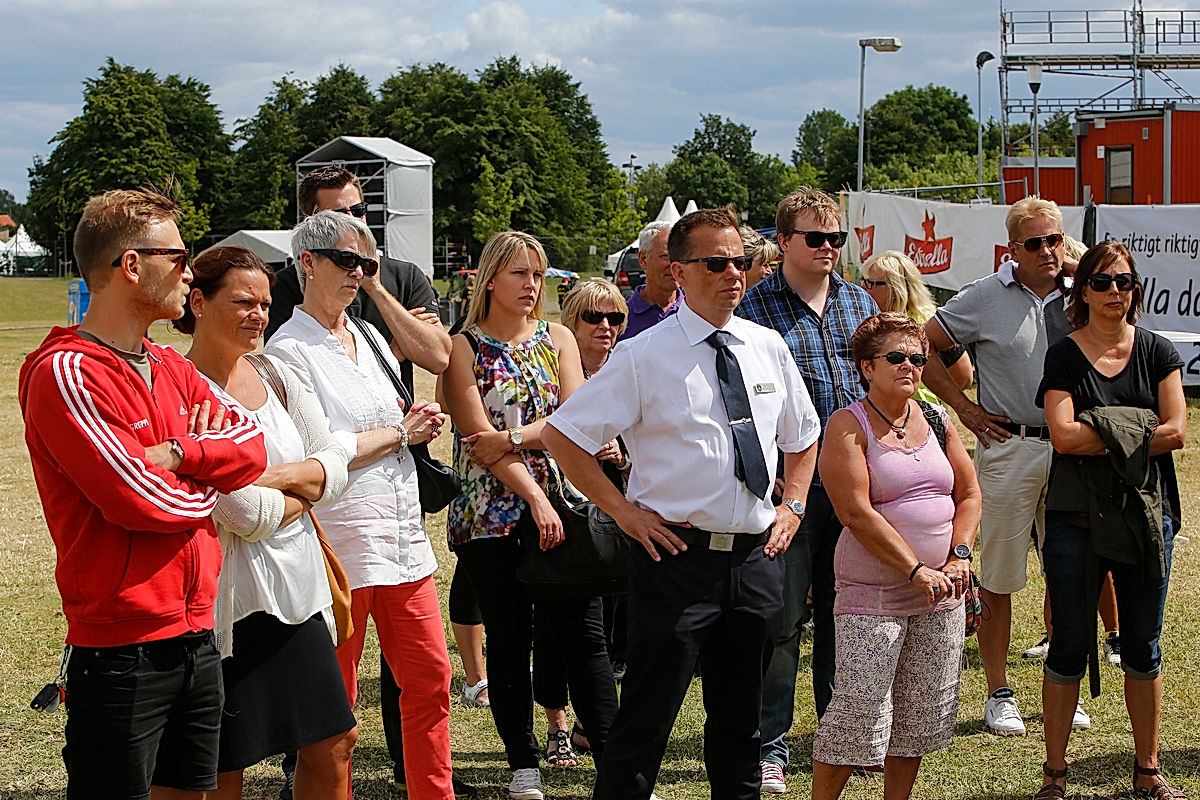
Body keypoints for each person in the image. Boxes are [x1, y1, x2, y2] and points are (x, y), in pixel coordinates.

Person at [545, 206, 821, 800]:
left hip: (754, 560)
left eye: (741, 262)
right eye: (716, 262)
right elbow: (564, 437)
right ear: (678, 270)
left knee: (740, 727)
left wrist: (792, 505)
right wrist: (624, 513)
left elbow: (804, 435)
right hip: (675, 561)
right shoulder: (645, 354)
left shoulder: (766, 346)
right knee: (645, 722)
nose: (734, 274)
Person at [18, 187, 267, 798]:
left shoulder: (172, 364)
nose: (190, 272)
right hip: (122, 650)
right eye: (180, 258)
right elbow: (142, 502)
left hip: (197, 635)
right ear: (132, 265)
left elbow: (252, 446)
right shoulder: (66, 371)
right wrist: (209, 477)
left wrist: (183, 454)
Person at [266, 164, 453, 797]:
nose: (357, 271)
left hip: (405, 545)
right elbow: (325, 452)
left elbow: (437, 355)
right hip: (340, 550)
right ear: (306, 263)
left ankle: (435, 792)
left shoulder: (372, 335)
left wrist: (410, 423)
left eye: (365, 260)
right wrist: (402, 433)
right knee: (333, 712)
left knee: (431, 684)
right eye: (345, 259)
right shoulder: (287, 351)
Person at [175, 247, 357, 799]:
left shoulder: (273, 371)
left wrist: (268, 476)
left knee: (335, 744)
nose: (258, 314)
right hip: (226, 609)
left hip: (298, 596)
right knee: (225, 768)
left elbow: (337, 462)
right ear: (198, 303)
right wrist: (306, 482)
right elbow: (246, 516)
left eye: (265, 303)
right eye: (242, 302)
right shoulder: (180, 390)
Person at [442, 231, 618, 800]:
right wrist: (533, 494)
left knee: (583, 638)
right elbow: (476, 442)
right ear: (490, 278)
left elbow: (573, 421)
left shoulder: (559, 338)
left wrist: (513, 435)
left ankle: (615, 767)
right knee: (510, 637)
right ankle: (523, 767)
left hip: (565, 510)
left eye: (538, 276)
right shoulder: (462, 347)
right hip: (491, 518)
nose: (532, 285)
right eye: (520, 274)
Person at [1034, 241, 1188, 800]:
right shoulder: (1064, 356)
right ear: (1082, 292)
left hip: (1148, 516)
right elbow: (1062, 436)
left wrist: (1099, 425)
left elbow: (1177, 431)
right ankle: (1055, 774)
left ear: (1135, 288)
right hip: (1075, 518)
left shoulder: (1157, 350)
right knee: (1069, 643)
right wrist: (1135, 429)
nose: (1113, 292)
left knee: (1143, 644)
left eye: (1123, 282)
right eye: (1100, 282)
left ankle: (1148, 770)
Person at [736, 187, 877, 793]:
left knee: (848, 615)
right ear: (784, 242)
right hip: (785, 485)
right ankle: (769, 744)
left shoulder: (859, 304)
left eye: (836, 239)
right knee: (784, 617)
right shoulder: (755, 308)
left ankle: (838, 736)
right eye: (815, 238)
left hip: (853, 486)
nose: (828, 248)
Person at [811, 312, 981, 800]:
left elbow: (969, 494)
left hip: (941, 595)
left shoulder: (935, 418)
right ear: (867, 367)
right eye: (897, 357)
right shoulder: (848, 424)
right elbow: (855, 513)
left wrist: (960, 555)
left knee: (919, 716)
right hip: (875, 595)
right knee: (857, 712)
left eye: (918, 358)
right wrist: (915, 568)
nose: (910, 365)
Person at [920, 196, 1073, 736]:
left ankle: (1063, 680)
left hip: (1075, 448)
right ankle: (998, 689)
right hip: (1011, 446)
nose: (1047, 251)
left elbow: (1131, 288)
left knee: (1069, 570)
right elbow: (925, 344)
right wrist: (964, 410)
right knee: (1001, 576)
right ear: (1013, 249)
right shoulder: (986, 296)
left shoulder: (1084, 293)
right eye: (1034, 243)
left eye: (1054, 239)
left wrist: (1078, 268)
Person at [538, 278, 633, 762]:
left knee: (610, 626)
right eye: (593, 318)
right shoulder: (554, 372)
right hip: (564, 510)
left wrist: (622, 454)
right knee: (560, 627)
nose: (605, 327)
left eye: (615, 318)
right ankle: (557, 723)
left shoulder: (629, 372)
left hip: (617, 512)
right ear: (571, 323)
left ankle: (585, 725)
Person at [858, 250, 973, 397]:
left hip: (923, 415)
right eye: (862, 280)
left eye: (870, 283)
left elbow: (964, 378)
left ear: (896, 288)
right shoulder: (866, 321)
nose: (862, 288)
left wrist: (923, 396)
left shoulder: (930, 323)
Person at [618, 220, 680, 341]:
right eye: (666, 256)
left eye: (680, 256)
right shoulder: (621, 320)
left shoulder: (696, 314)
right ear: (643, 259)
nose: (675, 264)